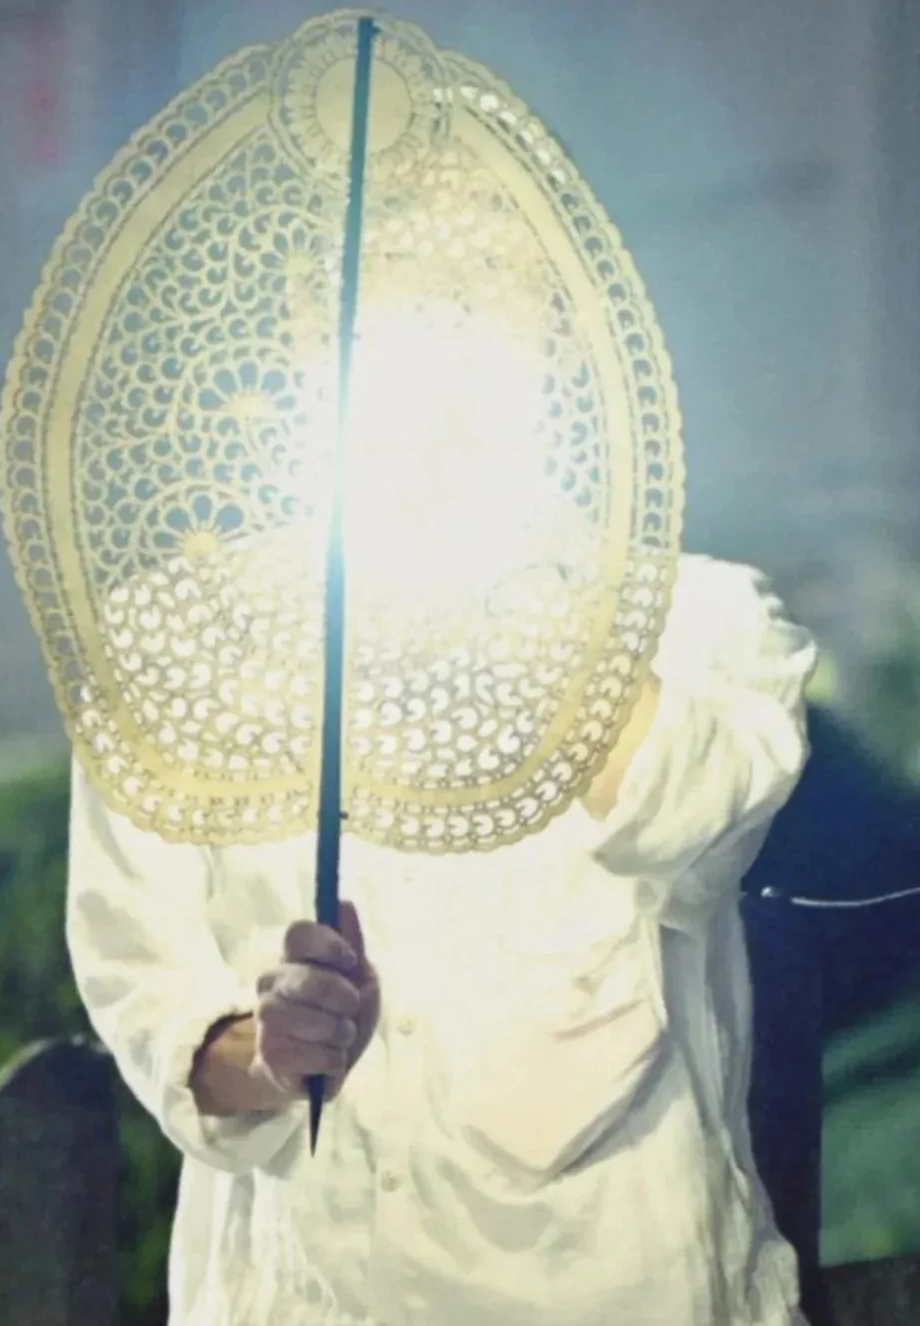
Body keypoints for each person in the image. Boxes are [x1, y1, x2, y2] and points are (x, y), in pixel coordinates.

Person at [66, 552, 817, 1326]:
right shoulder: (166, 646)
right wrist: (270, 1056)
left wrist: (525, 600)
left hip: (623, 1293)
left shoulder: (698, 615)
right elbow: (141, 985)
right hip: (301, 1297)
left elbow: (698, 820)